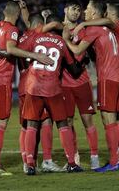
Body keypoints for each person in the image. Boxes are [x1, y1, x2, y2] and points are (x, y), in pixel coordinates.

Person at [64, 0, 119, 172]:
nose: (84, 11)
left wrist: (68, 37)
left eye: (88, 9)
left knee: (108, 118)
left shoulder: (100, 27)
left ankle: (114, 160)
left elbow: (76, 50)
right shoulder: (111, 28)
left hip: (110, 76)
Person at [0, 1, 53, 176]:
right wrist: (35, 55)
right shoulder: (13, 30)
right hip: (1, 81)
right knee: (1, 122)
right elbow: (11, 48)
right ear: (16, 15)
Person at [21, 14, 84, 175]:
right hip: (52, 88)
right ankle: (71, 162)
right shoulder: (62, 43)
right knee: (62, 124)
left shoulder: (35, 38)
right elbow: (74, 70)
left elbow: (20, 52)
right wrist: (84, 61)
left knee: (32, 124)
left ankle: (30, 164)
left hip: (33, 87)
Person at [17, 10, 64, 173]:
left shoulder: (23, 37)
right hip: (37, 84)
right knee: (45, 122)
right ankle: (46, 160)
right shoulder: (36, 37)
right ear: (40, 25)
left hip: (24, 84)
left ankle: (27, 161)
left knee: (26, 125)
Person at [62, 0, 99, 170]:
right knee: (67, 121)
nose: (76, 12)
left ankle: (94, 156)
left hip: (82, 81)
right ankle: (73, 157)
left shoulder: (85, 29)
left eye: (79, 9)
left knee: (87, 120)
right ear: (65, 10)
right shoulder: (56, 28)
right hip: (63, 83)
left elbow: (84, 52)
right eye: (73, 9)